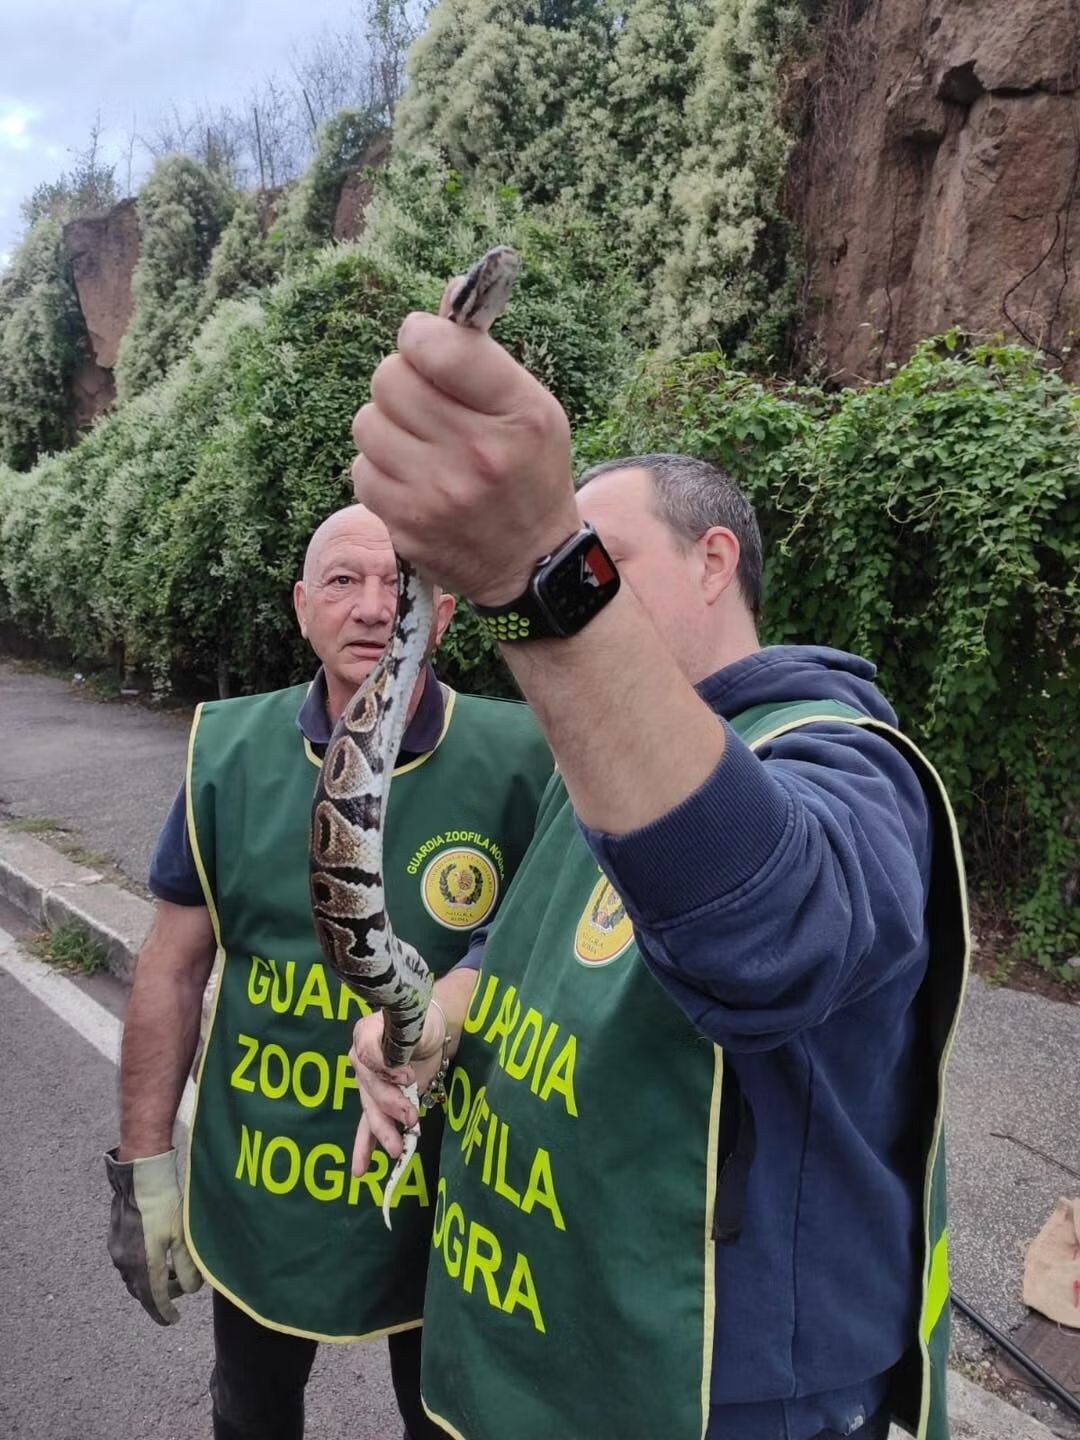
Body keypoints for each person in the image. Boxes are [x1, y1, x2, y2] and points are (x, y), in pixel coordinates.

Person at [345, 300, 968, 1440]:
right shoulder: (603, 758)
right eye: (572, 556)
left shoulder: (844, 760)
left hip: (722, 1398)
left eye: (602, 558)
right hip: (551, 1345)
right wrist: (436, 1015)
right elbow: (528, 944)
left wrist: (538, 570)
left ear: (713, 560)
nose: (583, 580)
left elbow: (772, 938)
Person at [104, 503, 553, 1440]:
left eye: (398, 583)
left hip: (452, 1199)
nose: (372, 607)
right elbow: (174, 968)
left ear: (443, 613)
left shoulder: (523, 756)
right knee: (252, 1413)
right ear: (303, 606)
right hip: (264, 1191)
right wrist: (143, 1165)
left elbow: (543, 953)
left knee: (448, 1422)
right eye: (344, 582)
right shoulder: (225, 750)